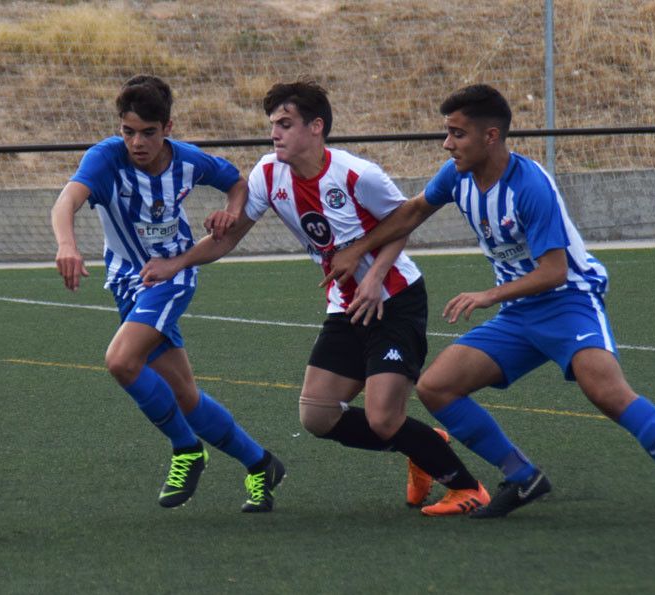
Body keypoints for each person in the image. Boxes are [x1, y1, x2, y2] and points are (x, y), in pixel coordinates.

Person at [322, 83, 655, 525]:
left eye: (457, 134)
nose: (447, 143)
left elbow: (555, 270)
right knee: (437, 387)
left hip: (568, 301)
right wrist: (358, 248)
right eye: (448, 132)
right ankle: (522, 476)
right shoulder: (456, 176)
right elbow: (413, 211)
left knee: (608, 393)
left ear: (490, 137)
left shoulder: (530, 185)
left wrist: (487, 295)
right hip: (519, 314)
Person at [142, 79, 488, 516]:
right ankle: (421, 444)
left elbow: (404, 220)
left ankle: (467, 487)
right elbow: (227, 239)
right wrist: (178, 263)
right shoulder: (268, 173)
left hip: (395, 299)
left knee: (383, 416)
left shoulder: (357, 174)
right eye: (273, 124)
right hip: (344, 306)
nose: (275, 133)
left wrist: (374, 274)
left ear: (316, 127)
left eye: (285, 124)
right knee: (318, 416)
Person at [51, 74, 284, 513]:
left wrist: (231, 212)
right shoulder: (105, 159)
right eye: (128, 131)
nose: (137, 142)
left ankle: (187, 449)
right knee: (185, 396)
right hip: (126, 282)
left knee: (121, 361)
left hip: (171, 276)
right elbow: (65, 203)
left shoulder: (189, 161)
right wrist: (67, 243)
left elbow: (238, 182)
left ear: (168, 128)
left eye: (148, 132)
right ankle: (261, 464)